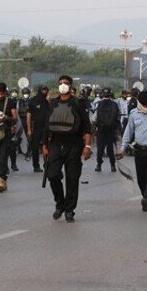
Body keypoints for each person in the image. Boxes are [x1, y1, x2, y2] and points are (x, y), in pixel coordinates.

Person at [41, 75, 92, 221]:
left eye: (66, 83)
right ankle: (60, 204)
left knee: (72, 179)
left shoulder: (78, 103)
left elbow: (87, 127)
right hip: (56, 145)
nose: (63, 85)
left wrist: (87, 146)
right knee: (53, 175)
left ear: (70, 86)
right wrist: (44, 145)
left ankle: (69, 210)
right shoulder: (53, 103)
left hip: (74, 145)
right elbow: (47, 127)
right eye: (60, 83)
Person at [93, 87, 120, 173]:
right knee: (110, 148)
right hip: (111, 130)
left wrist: (94, 127)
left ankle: (99, 165)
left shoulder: (98, 104)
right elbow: (117, 117)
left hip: (101, 129)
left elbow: (94, 118)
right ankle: (112, 165)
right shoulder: (115, 104)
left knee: (100, 149)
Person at [26, 84, 51, 174]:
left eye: (46, 90)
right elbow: (29, 115)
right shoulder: (33, 101)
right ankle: (36, 165)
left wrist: (49, 101)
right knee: (35, 147)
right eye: (43, 90)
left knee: (47, 146)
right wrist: (29, 129)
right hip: (36, 127)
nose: (44, 92)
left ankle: (47, 164)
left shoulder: (47, 101)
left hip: (46, 127)